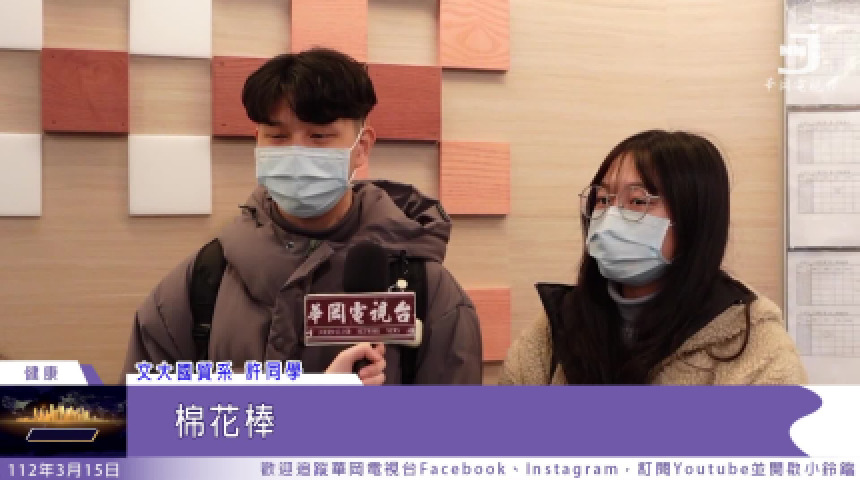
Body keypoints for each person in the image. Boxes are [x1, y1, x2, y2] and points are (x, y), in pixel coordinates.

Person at [121, 48, 482, 384]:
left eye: (319, 136)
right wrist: (311, 403)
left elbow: (458, 426)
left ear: (361, 147)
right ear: (258, 141)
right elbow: (141, 419)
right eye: (277, 137)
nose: (296, 153)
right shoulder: (202, 282)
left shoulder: (425, 288)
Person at [500, 130, 807, 385]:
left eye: (638, 201)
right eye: (603, 199)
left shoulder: (753, 345)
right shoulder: (557, 327)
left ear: (694, 220)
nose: (610, 217)